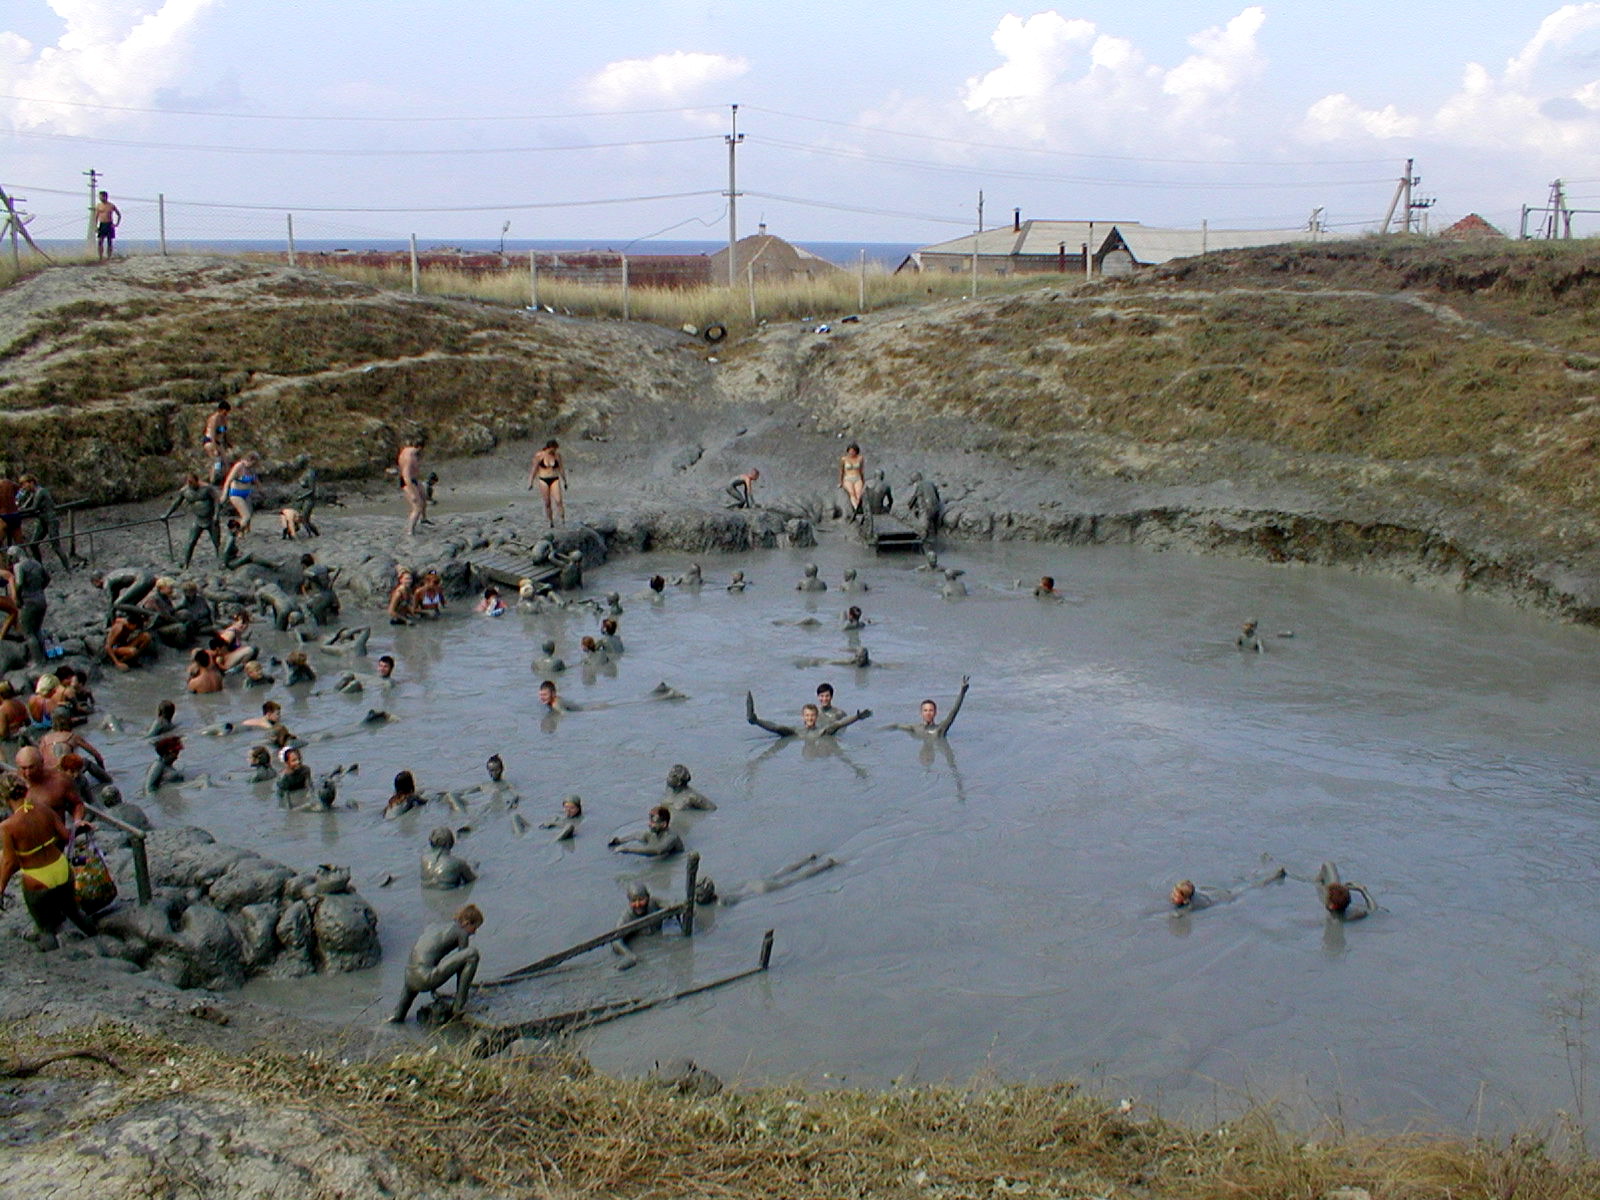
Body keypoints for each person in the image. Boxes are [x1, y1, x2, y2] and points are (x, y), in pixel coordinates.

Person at [0, 773, 97, 951]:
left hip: (37, 878)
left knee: (45, 928)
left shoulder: (7, 826)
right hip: (61, 869)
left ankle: (55, 961)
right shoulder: (43, 808)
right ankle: (98, 938)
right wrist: (80, 827)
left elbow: (9, 862)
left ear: (4, 798)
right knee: (74, 912)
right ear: (26, 790)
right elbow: (67, 836)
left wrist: (0, 888)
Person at [390, 904, 483, 1023]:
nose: (475, 932)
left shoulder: (435, 927)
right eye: (475, 927)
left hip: (409, 977)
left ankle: (398, 1015)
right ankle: (458, 1006)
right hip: (425, 978)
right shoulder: (462, 932)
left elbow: (431, 952)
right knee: (472, 954)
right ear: (466, 923)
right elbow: (463, 965)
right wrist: (462, 992)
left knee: (398, 1016)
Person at [746, 692, 870, 739]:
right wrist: (757, 721)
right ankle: (754, 719)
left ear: (816, 717)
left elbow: (840, 723)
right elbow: (775, 727)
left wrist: (856, 717)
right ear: (803, 717)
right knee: (779, 729)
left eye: (812, 716)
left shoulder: (823, 731)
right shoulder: (796, 731)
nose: (810, 718)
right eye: (807, 716)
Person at [612, 882, 675, 970]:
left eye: (641, 899)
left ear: (648, 898)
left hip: (659, 946)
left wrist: (671, 910)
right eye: (633, 901)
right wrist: (628, 955)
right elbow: (616, 941)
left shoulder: (654, 903)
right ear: (629, 902)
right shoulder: (626, 918)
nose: (637, 904)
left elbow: (671, 904)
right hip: (644, 951)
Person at [165, 473, 222, 568]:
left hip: (211, 519)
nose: (190, 485)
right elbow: (176, 503)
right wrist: (167, 514)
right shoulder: (184, 491)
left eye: (192, 482)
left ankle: (221, 561)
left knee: (216, 542)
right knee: (191, 541)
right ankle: (186, 563)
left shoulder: (207, 488)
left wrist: (216, 515)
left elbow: (217, 501)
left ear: (197, 481)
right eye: (188, 483)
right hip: (198, 520)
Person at [16, 475, 70, 571]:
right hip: (42, 520)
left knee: (56, 546)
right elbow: (25, 506)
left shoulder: (41, 492)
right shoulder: (33, 493)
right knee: (33, 544)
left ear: (31, 482)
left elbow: (34, 508)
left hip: (51, 520)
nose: (23, 488)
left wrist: (19, 511)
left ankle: (68, 569)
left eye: (24, 484)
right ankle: (40, 568)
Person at [890, 675, 971, 739]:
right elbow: (896, 726)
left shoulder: (940, 729)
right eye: (925, 710)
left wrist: (962, 693)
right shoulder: (914, 729)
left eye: (931, 710)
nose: (928, 713)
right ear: (921, 713)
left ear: (935, 713)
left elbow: (953, 712)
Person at [10, 547, 49, 665]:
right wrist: (39, 589)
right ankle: (45, 657)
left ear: (14, 556)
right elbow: (47, 578)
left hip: (29, 601)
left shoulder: (19, 566)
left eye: (11, 558)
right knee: (38, 630)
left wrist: (17, 597)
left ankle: (38, 661)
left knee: (28, 632)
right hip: (41, 599)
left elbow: (20, 582)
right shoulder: (36, 563)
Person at [609, 805, 684, 857]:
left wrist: (628, 850)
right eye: (650, 821)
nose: (649, 824)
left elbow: (658, 851)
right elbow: (636, 835)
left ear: (663, 824)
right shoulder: (652, 835)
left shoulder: (672, 838)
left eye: (653, 822)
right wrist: (619, 841)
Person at [528, 439, 567, 527]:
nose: (555, 451)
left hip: (554, 479)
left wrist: (565, 481)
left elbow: (561, 469)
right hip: (543, 479)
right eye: (554, 449)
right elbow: (534, 469)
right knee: (547, 502)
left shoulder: (557, 456)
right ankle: (550, 521)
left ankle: (562, 520)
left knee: (558, 500)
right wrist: (531, 482)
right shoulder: (539, 455)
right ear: (550, 448)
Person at [220, 452, 260, 532]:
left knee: (249, 516)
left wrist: (260, 490)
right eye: (254, 463)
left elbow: (256, 481)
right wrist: (224, 495)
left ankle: (245, 533)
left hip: (246, 494)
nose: (254, 465)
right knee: (246, 516)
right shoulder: (238, 466)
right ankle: (234, 532)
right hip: (236, 494)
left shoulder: (251, 469)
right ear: (250, 460)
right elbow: (228, 480)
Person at [398, 433, 428, 536]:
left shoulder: (408, 450)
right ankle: (410, 530)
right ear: (420, 448)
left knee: (424, 495)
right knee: (417, 506)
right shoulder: (409, 457)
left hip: (414, 479)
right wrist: (413, 493)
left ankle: (424, 519)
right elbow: (406, 476)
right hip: (407, 482)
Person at [905, 472, 942, 542]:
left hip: (927, 509)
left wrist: (909, 506)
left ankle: (925, 543)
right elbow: (937, 496)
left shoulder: (918, 485)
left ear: (915, 480)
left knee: (922, 526)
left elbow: (913, 498)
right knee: (931, 523)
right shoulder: (931, 483)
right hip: (936, 508)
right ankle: (933, 534)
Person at [201, 400, 232, 484]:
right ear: (220, 410)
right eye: (224, 412)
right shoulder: (214, 419)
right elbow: (212, 434)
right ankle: (213, 480)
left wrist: (228, 442)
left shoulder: (224, 419)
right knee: (216, 461)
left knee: (226, 462)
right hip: (210, 441)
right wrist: (215, 449)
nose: (225, 414)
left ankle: (226, 480)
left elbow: (224, 432)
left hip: (219, 442)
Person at [838, 442, 866, 516]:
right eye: (850, 451)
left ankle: (858, 506)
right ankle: (856, 508)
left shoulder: (860, 458)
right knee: (852, 493)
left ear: (856, 451)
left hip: (857, 478)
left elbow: (861, 471)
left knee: (859, 493)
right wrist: (841, 482)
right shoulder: (844, 459)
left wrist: (863, 481)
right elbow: (841, 471)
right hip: (847, 478)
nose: (851, 453)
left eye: (853, 451)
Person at [94, 190, 120, 260]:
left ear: (105, 197)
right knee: (100, 241)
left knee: (109, 242)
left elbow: (119, 214)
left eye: (101, 197)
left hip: (109, 224)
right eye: (99, 197)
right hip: (102, 224)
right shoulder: (98, 206)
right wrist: (95, 227)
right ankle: (100, 257)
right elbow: (96, 217)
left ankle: (109, 257)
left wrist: (116, 224)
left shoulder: (111, 205)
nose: (100, 198)